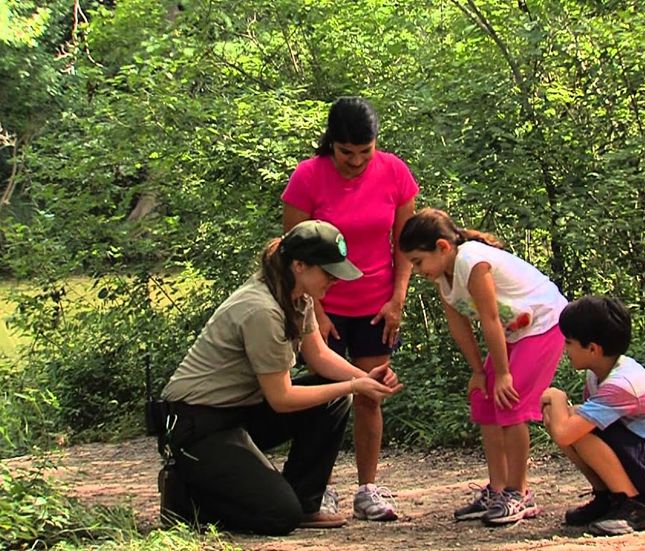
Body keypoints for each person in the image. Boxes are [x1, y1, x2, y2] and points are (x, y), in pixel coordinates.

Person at [157, 220, 403, 536]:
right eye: (328, 272)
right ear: (299, 265)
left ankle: (305, 502)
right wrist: (356, 386)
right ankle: (187, 494)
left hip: (238, 413)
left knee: (335, 398)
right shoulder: (262, 309)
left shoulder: (298, 296)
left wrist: (367, 378)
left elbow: (319, 357)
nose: (334, 281)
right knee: (278, 517)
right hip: (197, 425)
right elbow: (282, 399)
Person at [281, 96, 418, 521]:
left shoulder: (395, 172)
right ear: (331, 144)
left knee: (369, 394)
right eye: (346, 153)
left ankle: (368, 488)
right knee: (324, 400)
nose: (356, 161)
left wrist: (398, 298)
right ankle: (315, 486)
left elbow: (405, 245)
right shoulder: (308, 177)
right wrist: (315, 309)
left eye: (365, 152)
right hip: (322, 306)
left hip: (375, 305)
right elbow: (294, 252)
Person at [398, 208, 567, 526]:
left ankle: (519, 493)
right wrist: (479, 372)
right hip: (515, 330)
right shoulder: (444, 277)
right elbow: (459, 327)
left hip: (544, 323)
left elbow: (489, 319)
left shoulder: (472, 261)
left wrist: (502, 375)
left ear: (442, 247)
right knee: (484, 399)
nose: (418, 270)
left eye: (419, 261)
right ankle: (498, 489)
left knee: (510, 402)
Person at [541, 296, 645, 536]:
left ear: (593, 349)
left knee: (573, 424)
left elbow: (565, 433)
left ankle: (635, 507)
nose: (565, 348)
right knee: (567, 418)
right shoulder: (598, 375)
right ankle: (609, 497)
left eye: (569, 342)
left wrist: (556, 395)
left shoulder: (622, 383)